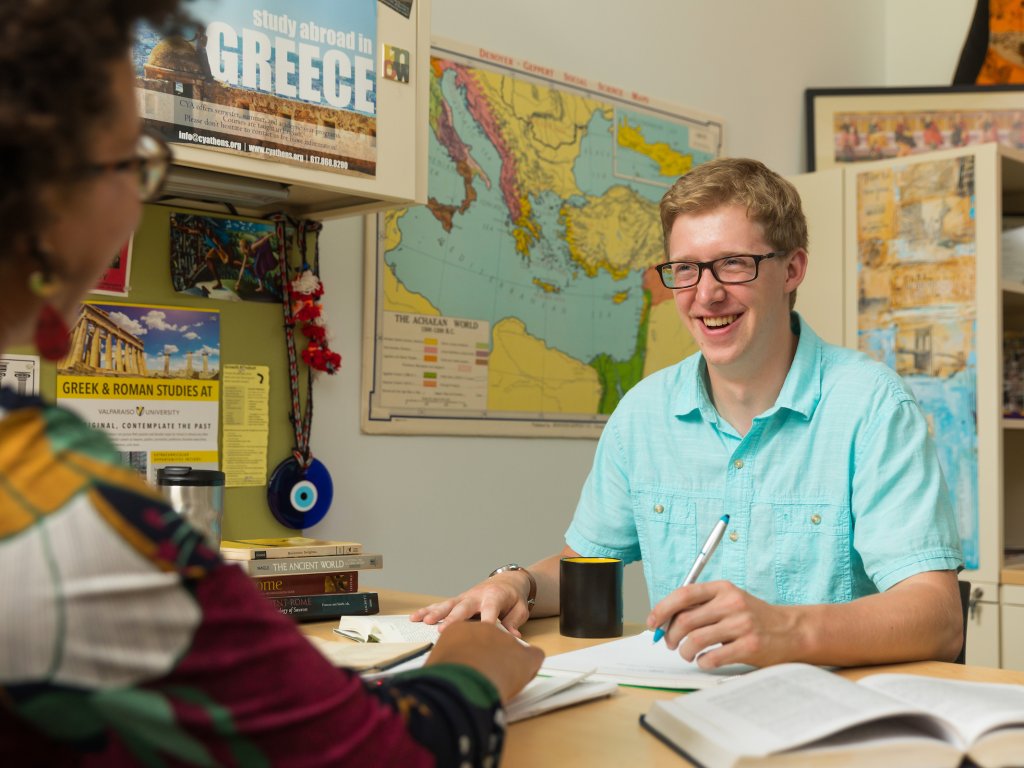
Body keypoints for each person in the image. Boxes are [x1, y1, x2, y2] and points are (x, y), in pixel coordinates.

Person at [0, 2, 542, 765]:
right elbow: (386, 755)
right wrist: (471, 672)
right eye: (134, 160)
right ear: (47, 198)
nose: (139, 197)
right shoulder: (59, 509)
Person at [413, 157, 965, 671]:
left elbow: (938, 617)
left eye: (732, 264)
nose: (705, 294)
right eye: (685, 268)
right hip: (685, 702)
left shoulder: (871, 406)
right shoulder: (643, 413)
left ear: (792, 269)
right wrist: (517, 585)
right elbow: (582, 568)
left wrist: (786, 629)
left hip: (829, 720)